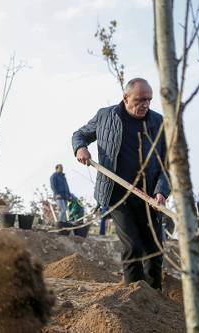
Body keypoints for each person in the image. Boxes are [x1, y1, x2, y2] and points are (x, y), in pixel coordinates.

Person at [72, 78, 169, 289]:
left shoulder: (158, 122)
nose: (145, 104)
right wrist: (80, 148)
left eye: (149, 100)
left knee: (154, 248)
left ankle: (155, 297)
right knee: (132, 246)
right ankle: (135, 295)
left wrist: (161, 192)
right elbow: (79, 134)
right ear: (126, 98)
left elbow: (166, 164)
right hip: (117, 192)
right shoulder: (106, 116)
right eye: (140, 99)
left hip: (149, 195)